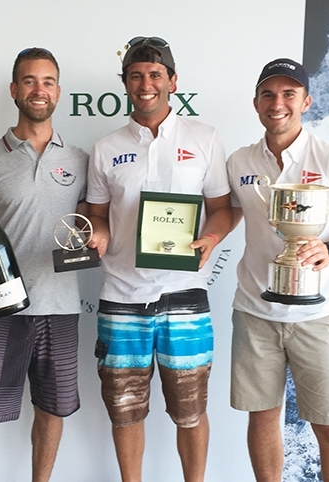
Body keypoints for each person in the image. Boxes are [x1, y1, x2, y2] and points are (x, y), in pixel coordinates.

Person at [226, 58, 329, 482]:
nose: (278, 103)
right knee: (262, 420)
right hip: (255, 313)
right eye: (268, 94)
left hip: (318, 315)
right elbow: (228, 213)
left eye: (289, 94)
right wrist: (203, 238)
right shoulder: (239, 161)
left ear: (306, 102)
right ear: (256, 103)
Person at [86, 37, 233, 482]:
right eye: (136, 76)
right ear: (125, 83)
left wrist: (211, 237)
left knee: (190, 411)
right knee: (125, 412)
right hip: (121, 295)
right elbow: (96, 215)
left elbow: (223, 208)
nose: (145, 84)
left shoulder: (204, 138)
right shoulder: (106, 147)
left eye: (154, 74)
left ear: (172, 80)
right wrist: (99, 235)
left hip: (185, 294)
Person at [0, 47, 88, 482]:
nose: (38, 89)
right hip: (0, 313)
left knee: (52, 412)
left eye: (47, 81)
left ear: (58, 92)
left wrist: (97, 236)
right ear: (15, 90)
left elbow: (93, 226)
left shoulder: (80, 161)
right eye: (29, 81)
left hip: (61, 307)